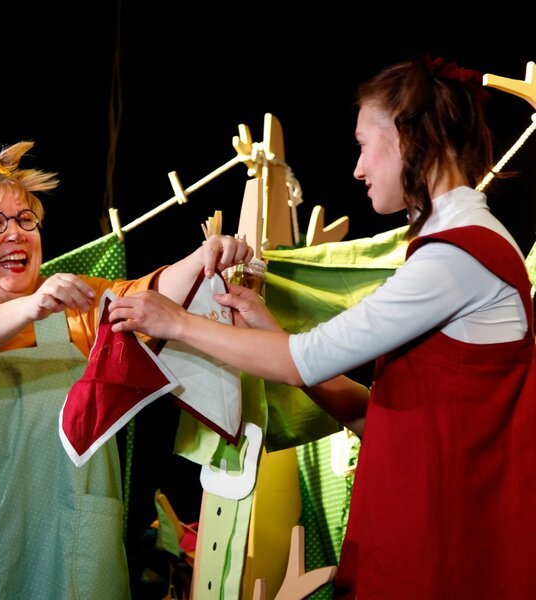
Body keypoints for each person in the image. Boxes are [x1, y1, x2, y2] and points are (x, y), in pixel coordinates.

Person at [108, 56, 536, 598]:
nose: (357, 168)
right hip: (416, 531)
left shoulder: (458, 257)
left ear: (409, 138)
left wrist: (177, 322)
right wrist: (266, 329)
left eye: (363, 144)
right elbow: (368, 415)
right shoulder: (451, 248)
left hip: (448, 549)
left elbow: (303, 360)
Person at [0, 125, 252, 599]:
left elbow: (146, 298)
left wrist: (202, 260)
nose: (17, 232)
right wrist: (30, 307)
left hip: (71, 550)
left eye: (25, 219)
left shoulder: (74, 305)